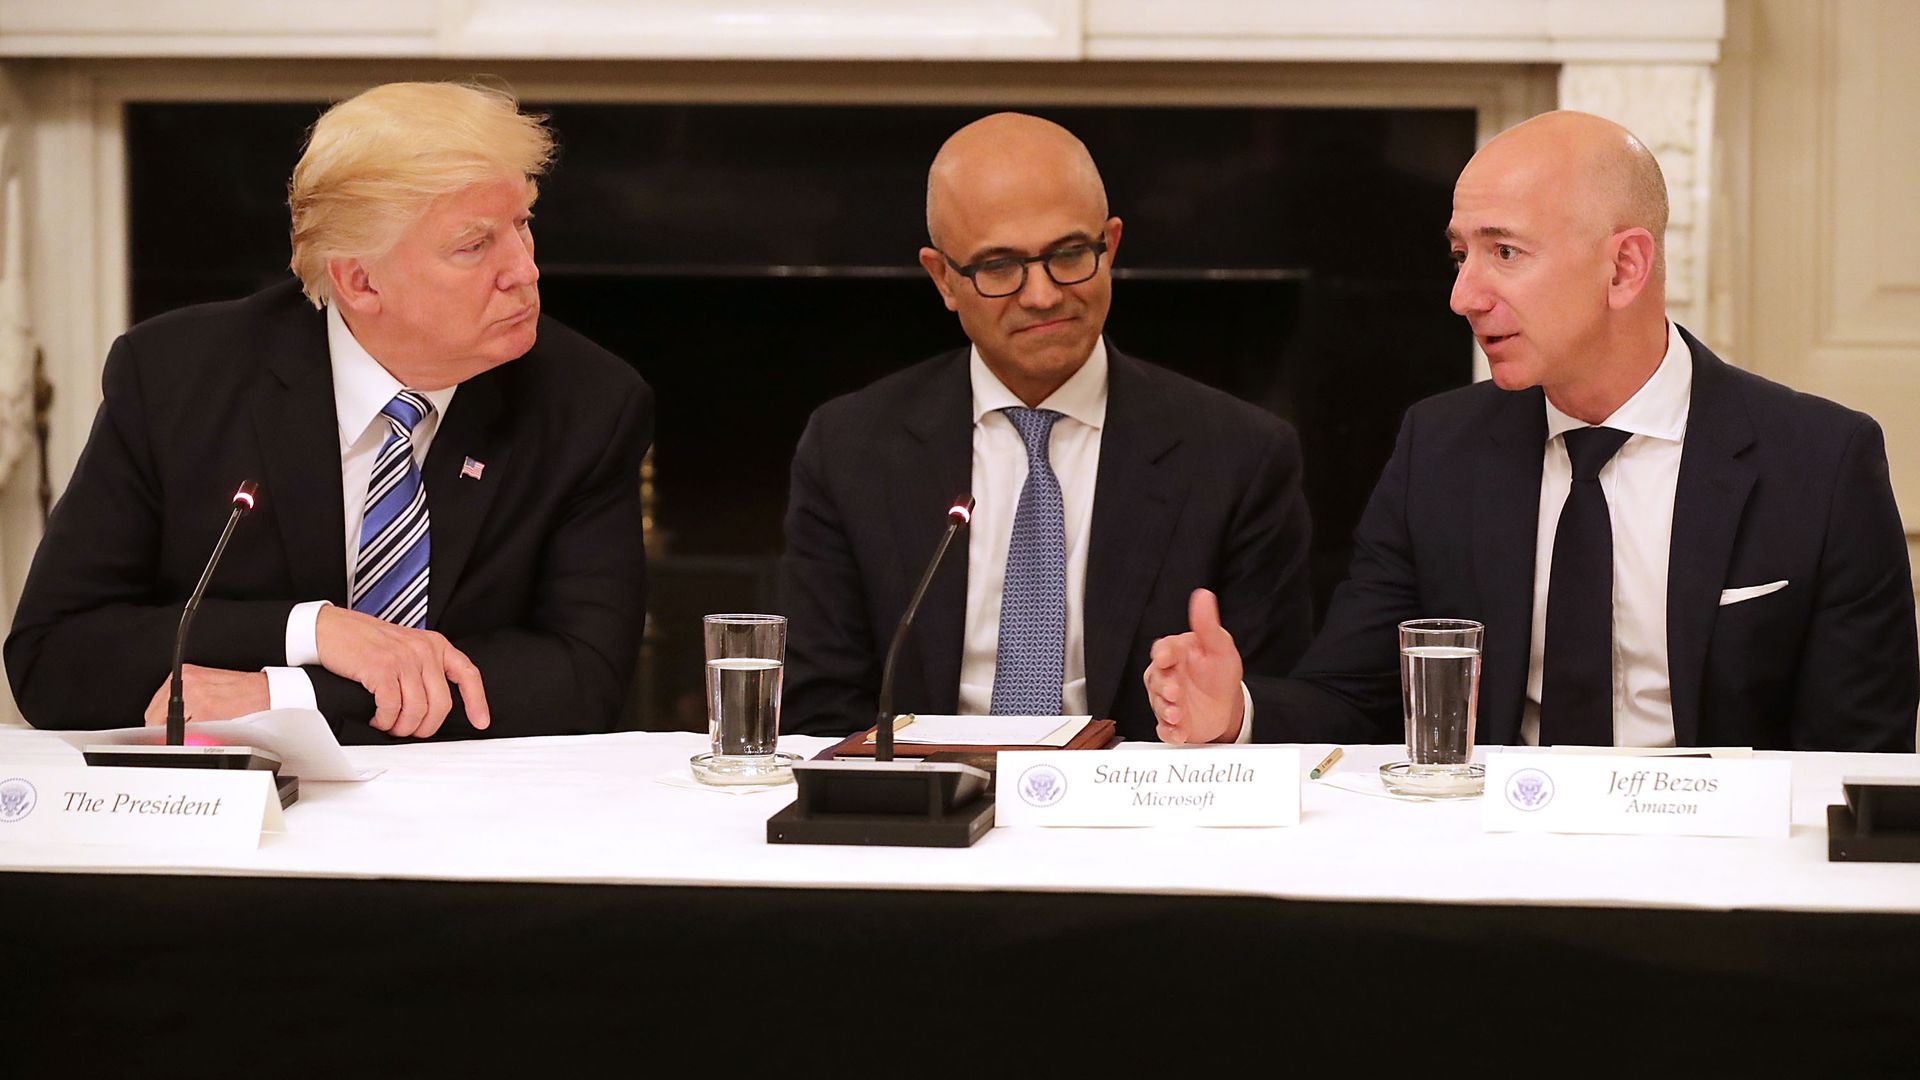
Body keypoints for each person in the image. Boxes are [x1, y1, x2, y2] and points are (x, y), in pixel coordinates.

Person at [1146, 110, 1918, 752]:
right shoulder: (1438, 448)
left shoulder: (1820, 460)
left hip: (1724, 879)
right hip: (1496, 870)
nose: (1463, 296)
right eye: (1460, 254)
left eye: (1504, 253)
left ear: (1624, 268)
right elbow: (1354, 697)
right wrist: (1239, 714)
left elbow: (1860, 750)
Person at [6, 82, 654, 744]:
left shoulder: (587, 402)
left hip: (471, 815)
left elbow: (583, 680)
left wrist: (289, 694)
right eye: (474, 245)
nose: (524, 270)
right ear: (359, 281)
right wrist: (311, 628)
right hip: (228, 818)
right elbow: (52, 657)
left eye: (523, 224)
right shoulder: (177, 377)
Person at [780, 112, 1312, 742]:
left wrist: (1224, 720)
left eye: (1067, 255)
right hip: (922, 814)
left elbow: (1276, 702)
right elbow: (820, 710)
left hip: (1144, 809)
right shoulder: (850, 447)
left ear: (1110, 246)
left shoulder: (1240, 455)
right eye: (999, 266)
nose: (1042, 295)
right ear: (943, 278)